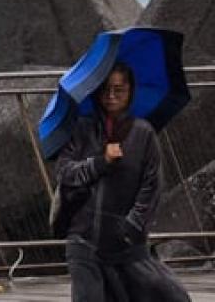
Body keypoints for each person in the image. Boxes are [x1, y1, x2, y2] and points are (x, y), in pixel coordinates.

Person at [55, 62, 191, 302]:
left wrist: (132, 226)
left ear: (130, 93)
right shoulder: (81, 129)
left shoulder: (143, 133)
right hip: (82, 239)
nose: (111, 96)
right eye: (106, 89)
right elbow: (65, 173)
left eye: (119, 90)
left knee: (170, 295)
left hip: (124, 244)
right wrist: (100, 162)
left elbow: (152, 186)